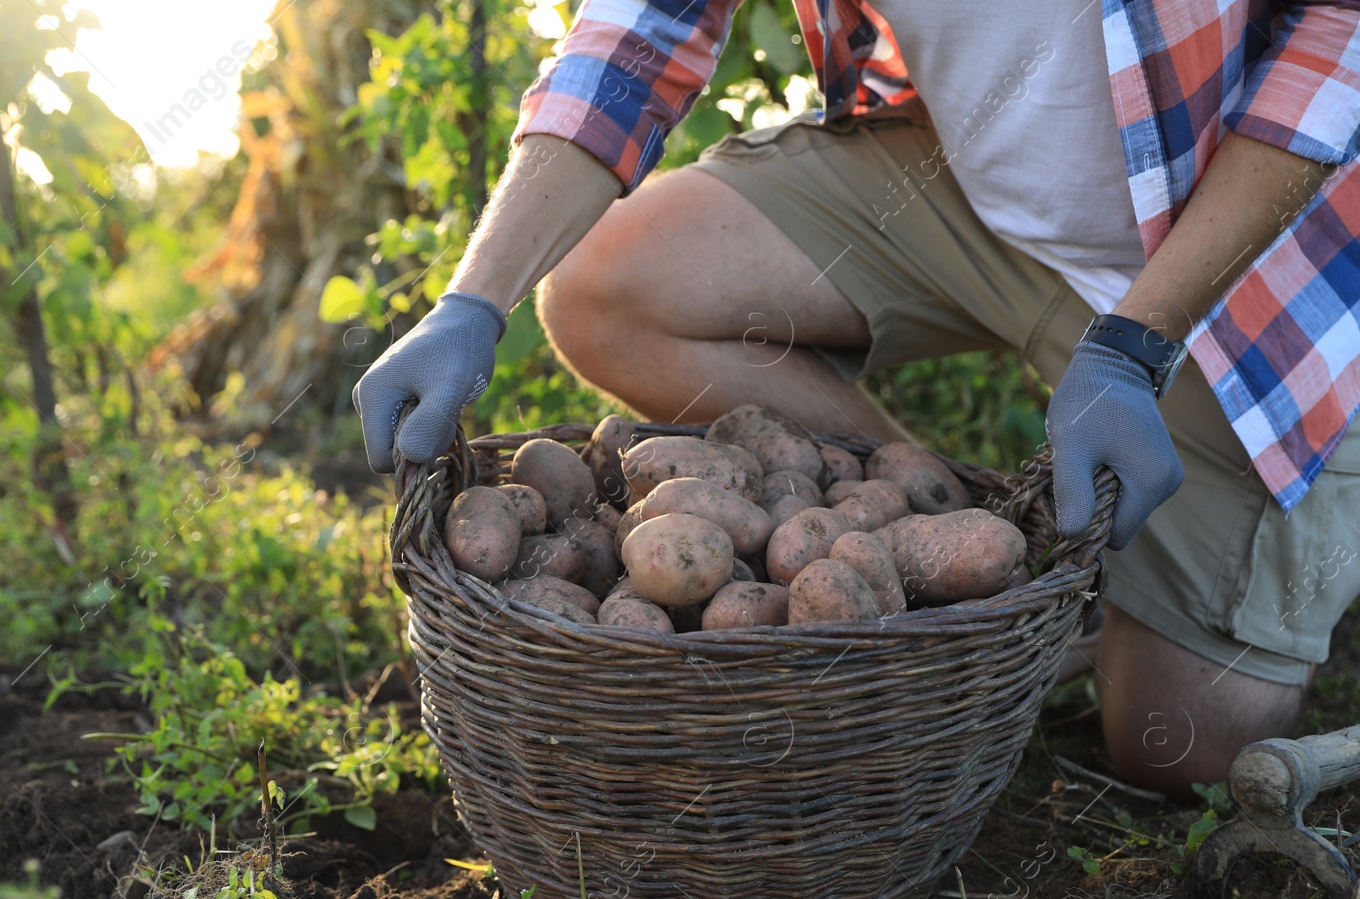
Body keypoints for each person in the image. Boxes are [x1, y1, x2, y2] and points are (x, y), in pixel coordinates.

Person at [352, 1, 1360, 801]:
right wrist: (469, 301)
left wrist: (1137, 342)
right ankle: (971, 556)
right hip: (968, 192)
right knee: (603, 290)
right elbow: (640, 28)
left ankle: (1064, 589)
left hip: (1237, 270)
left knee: (1172, 750)